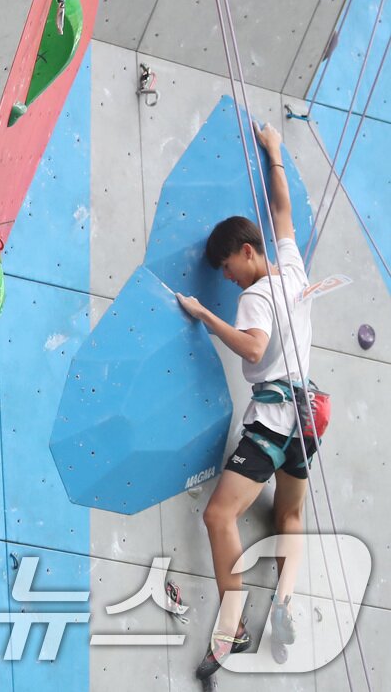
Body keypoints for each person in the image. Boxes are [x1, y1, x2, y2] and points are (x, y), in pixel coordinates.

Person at [176, 122, 316, 679]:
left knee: (218, 514)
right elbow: (282, 213)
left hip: (274, 420)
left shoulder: (257, 296)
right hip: (309, 421)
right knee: (289, 512)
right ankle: (283, 601)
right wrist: (275, 151)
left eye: (228, 268)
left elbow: (255, 345)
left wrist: (206, 316)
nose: (230, 280)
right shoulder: (293, 271)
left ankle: (232, 621)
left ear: (245, 252)